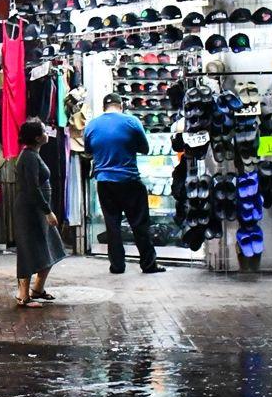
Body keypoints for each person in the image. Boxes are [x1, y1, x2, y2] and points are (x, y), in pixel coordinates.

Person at [82, 93, 165, 275]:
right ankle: (148, 264)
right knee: (139, 224)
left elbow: (88, 151)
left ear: (104, 107)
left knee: (113, 226)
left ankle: (117, 266)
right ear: (121, 105)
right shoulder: (131, 122)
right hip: (129, 180)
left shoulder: (91, 126)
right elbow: (145, 148)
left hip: (104, 182)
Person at [13, 119, 69, 308]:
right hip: (30, 211)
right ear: (38, 138)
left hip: (37, 209)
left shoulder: (33, 155)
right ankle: (23, 296)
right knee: (29, 250)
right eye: (44, 131)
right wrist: (47, 212)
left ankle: (37, 288)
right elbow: (32, 188)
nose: (47, 134)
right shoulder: (28, 157)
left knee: (52, 248)